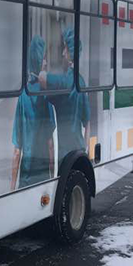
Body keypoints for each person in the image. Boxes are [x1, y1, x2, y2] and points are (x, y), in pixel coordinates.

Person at [39, 28, 91, 168]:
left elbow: (41, 78)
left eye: (65, 49)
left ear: (70, 54)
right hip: (79, 149)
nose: (62, 53)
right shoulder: (81, 82)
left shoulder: (63, 82)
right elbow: (87, 123)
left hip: (66, 154)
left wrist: (41, 62)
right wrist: (85, 150)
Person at [11, 36, 57, 190]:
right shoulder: (45, 95)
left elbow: (17, 150)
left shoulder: (22, 95)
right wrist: (52, 178)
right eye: (44, 58)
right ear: (38, 61)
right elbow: (50, 144)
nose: (46, 62)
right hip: (42, 175)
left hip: (25, 176)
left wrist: (12, 187)